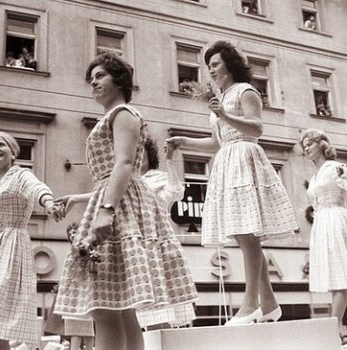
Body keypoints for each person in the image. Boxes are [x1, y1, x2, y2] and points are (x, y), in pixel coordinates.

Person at [53, 51, 198, 350]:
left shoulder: (122, 114)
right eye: (90, 79)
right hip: (115, 199)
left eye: (100, 76)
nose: (93, 83)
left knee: (104, 307)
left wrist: (106, 210)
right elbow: (114, 173)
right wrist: (80, 199)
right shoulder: (113, 116)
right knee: (118, 307)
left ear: (119, 80)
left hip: (118, 206)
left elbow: (123, 165)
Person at [166, 40, 298, 326]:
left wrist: (224, 114)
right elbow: (216, 141)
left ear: (229, 63)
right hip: (227, 160)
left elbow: (257, 127)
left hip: (244, 157)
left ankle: (251, 304)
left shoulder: (245, 91)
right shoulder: (221, 99)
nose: (211, 71)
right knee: (243, 234)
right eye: (208, 66)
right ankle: (270, 303)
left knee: (247, 232)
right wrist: (183, 141)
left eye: (214, 64)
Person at [0, 132, 60, 350]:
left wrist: (49, 203)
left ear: (13, 152)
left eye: (1, 144)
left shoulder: (20, 175)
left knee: (0, 309)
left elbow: (37, 188)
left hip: (12, 243)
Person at [136, 136, 196, 328]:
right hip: (134, 243)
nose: (137, 155)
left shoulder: (157, 177)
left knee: (162, 303)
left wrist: (169, 159)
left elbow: (176, 191)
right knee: (141, 305)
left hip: (158, 240)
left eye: (141, 151)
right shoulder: (124, 179)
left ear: (149, 154)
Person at [301, 128, 347, 345]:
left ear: (322, 144)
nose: (306, 147)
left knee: (341, 274)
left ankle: (335, 325)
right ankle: (335, 326)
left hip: (336, 218)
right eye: (304, 145)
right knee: (333, 275)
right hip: (321, 222)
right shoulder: (314, 176)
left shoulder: (335, 168)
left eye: (310, 142)